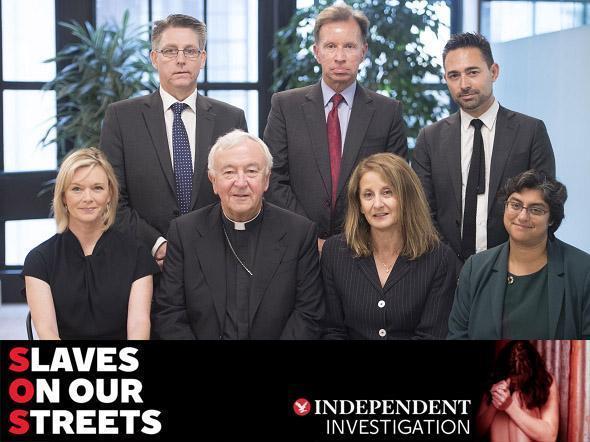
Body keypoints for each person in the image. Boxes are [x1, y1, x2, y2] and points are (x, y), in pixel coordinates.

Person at [100, 14, 247, 269]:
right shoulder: (121, 118)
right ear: (154, 58)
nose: (180, 60)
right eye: (169, 51)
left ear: (203, 58)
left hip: (217, 261)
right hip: (145, 262)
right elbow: (112, 198)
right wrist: (158, 244)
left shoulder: (230, 118)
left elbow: (242, 192)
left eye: (190, 51)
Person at [264, 3, 407, 252]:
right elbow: (273, 178)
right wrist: (309, 237)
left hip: (363, 248)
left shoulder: (388, 112)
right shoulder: (285, 106)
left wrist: (353, 238)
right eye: (330, 46)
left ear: (363, 51)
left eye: (349, 46)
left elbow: (395, 183)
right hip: (296, 247)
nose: (339, 57)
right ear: (317, 52)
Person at [154, 130, 324, 339]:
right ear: (213, 181)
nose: (241, 182)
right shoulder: (184, 232)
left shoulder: (299, 233)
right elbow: (170, 312)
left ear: (267, 180)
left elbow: (308, 314)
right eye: (229, 172)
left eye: (252, 171)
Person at [412, 32, 555, 265]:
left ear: (494, 71)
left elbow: (545, 206)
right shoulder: (430, 138)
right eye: (454, 75)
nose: (464, 84)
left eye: (473, 72)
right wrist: (451, 268)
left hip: (514, 269)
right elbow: (421, 212)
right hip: (446, 273)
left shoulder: (530, 132)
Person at [22, 148, 158, 339]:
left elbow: (138, 327)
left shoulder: (137, 255)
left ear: (109, 194)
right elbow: (47, 333)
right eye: (76, 189)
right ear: (63, 197)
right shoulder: (39, 260)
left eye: (97, 188)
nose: (88, 198)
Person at [321, 153, 457, 339]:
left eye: (387, 192)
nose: (377, 204)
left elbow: (431, 335)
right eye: (368, 195)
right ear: (359, 204)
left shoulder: (439, 258)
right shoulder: (335, 252)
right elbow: (332, 331)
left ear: (407, 197)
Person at [448, 170, 590, 339]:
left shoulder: (583, 271)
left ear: (551, 219)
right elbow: (457, 336)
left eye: (536, 210)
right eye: (515, 205)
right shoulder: (475, 268)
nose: (522, 216)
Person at [476, 341, 559, 442]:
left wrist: (510, 407)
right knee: (500, 410)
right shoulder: (495, 381)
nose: (517, 383)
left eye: (522, 377)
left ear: (532, 372)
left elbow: (550, 437)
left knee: (517, 397)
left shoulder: (544, 382)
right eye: (513, 377)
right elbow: (477, 432)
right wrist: (496, 402)